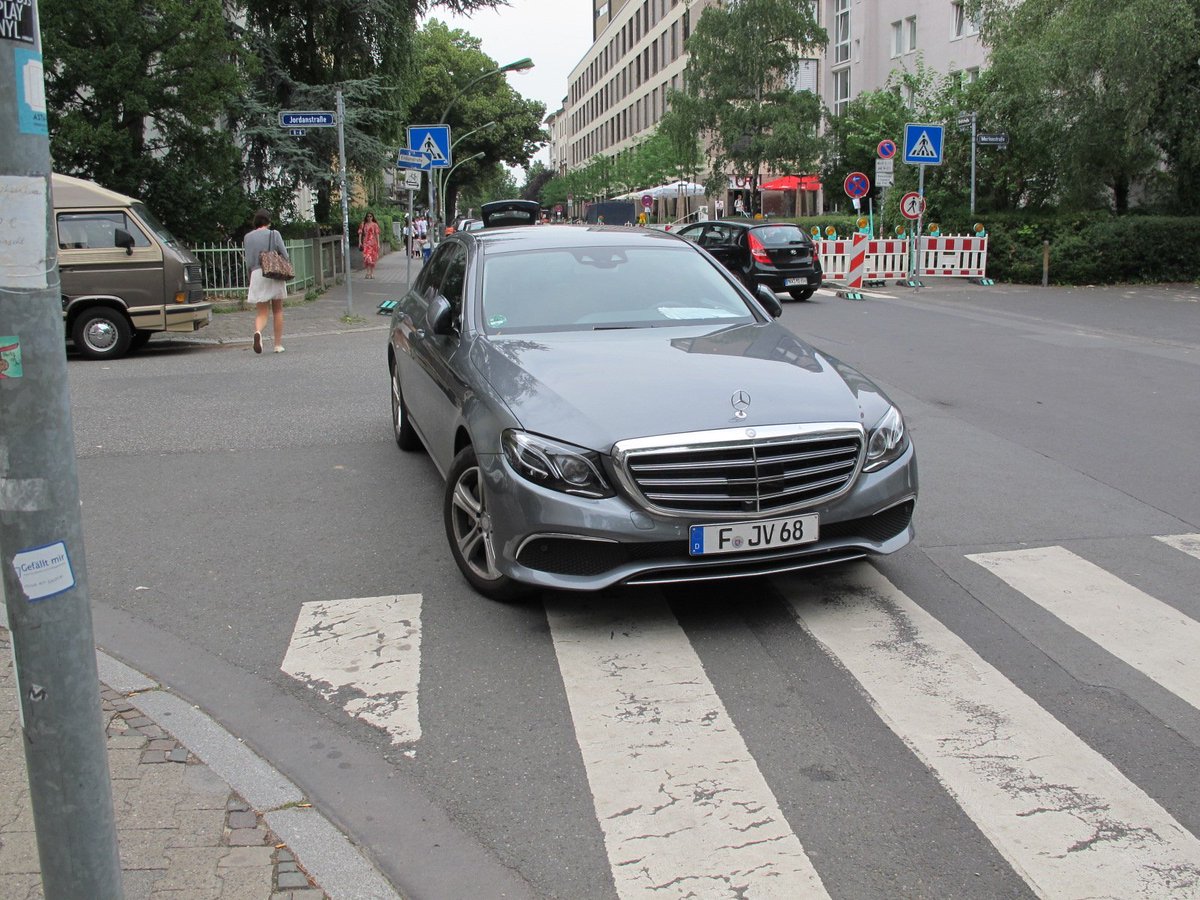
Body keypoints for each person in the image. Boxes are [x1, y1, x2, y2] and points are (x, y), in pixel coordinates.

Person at [242, 209, 289, 354]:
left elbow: (249, 262)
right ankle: (277, 345)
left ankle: (258, 332)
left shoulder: (248, 237)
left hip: (257, 274)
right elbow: (285, 255)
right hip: (273, 273)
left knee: (262, 312)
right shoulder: (274, 234)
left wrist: (250, 277)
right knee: (278, 310)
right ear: (268, 221)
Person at [358, 212, 381, 279]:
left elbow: (377, 234)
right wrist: (360, 242)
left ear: (372, 217)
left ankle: (372, 273)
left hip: (373, 243)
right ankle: (367, 272)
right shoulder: (363, 224)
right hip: (366, 243)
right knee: (367, 258)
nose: (369, 217)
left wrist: (378, 243)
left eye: (370, 216)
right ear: (366, 217)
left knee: (373, 258)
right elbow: (360, 233)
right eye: (368, 216)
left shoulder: (375, 225)